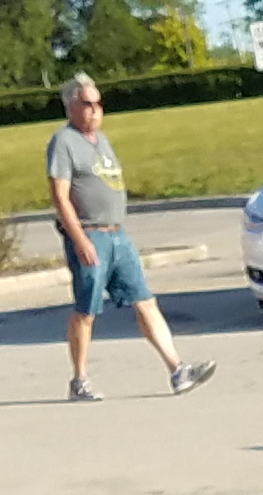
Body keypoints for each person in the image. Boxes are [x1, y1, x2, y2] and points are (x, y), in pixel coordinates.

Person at [45, 77, 215, 403]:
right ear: (71, 106)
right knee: (86, 311)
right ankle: (79, 380)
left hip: (117, 235)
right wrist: (79, 240)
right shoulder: (63, 142)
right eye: (87, 104)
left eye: (98, 103)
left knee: (145, 301)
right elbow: (60, 197)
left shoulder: (102, 141)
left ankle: (177, 369)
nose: (95, 110)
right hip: (90, 234)